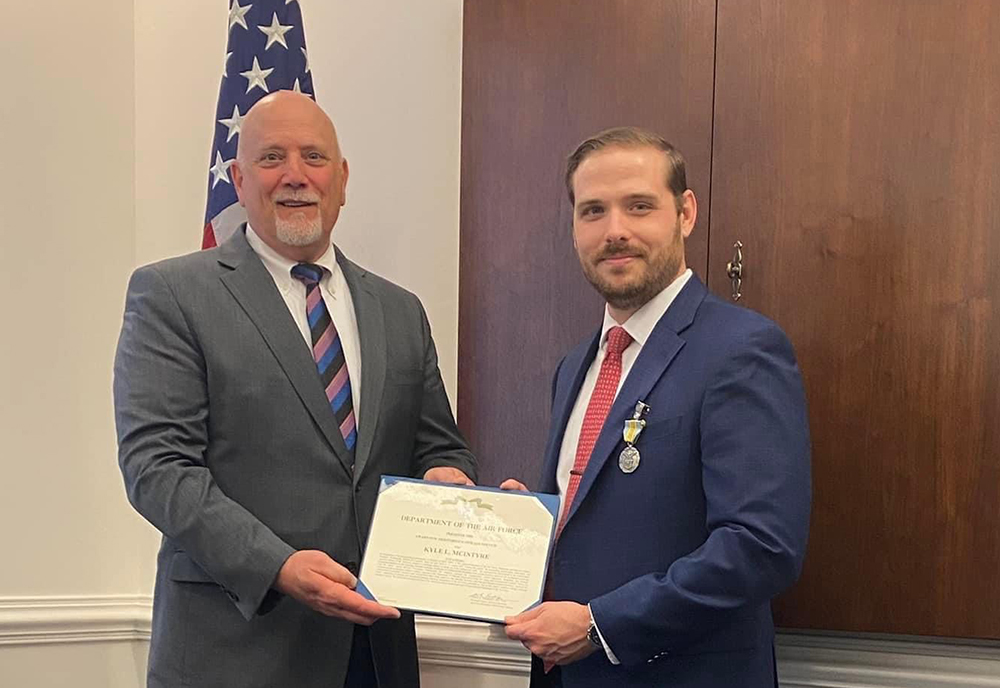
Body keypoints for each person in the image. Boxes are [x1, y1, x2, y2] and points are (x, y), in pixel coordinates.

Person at [113, 90, 476, 688]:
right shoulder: (172, 295)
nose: (294, 176)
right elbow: (157, 470)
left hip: (375, 654)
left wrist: (448, 483)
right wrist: (277, 566)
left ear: (342, 178)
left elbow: (439, 448)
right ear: (237, 177)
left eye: (313, 157)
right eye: (271, 158)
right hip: (236, 651)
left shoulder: (399, 310)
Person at [501, 127, 811, 687]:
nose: (614, 231)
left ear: (685, 213)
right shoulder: (576, 366)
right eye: (593, 211)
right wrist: (535, 522)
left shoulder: (741, 350)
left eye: (639, 206)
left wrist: (599, 626)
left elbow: (761, 548)